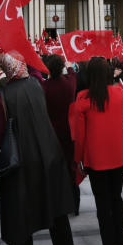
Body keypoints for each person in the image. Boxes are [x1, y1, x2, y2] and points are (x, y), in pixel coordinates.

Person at [0, 53, 77, 245]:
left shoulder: (3, 94)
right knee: (58, 213)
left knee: (20, 220)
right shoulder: (36, 84)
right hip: (49, 154)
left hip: (21, 162)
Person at [69, 56, 123, 245]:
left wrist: (78, 159)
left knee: (103, 205)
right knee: (116, 200)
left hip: (97, 159)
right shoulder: (120, 93)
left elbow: (78, 135)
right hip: (119, 156)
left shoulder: (83, 98)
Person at [41, 54, 78, 212]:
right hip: (69, 130)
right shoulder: (69, 83)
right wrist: (69, 65)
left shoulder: (44, 87)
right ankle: (74, 203)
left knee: (55, 168)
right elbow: (73, 74)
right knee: (71, 167)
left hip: (51, 131)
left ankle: (59, 203)